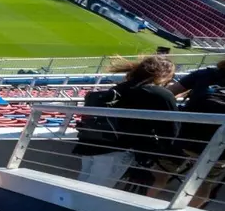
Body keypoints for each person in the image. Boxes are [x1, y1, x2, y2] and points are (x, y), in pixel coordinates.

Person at [148, 46, 225, 207]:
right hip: (222, 148)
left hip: (184, 138)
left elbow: (168, 94)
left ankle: (143, 204)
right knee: (202, 187)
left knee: (159, 176)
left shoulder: (206, 74)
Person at [74, 55, 177, 188]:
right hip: (117, 150)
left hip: (92, 145)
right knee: (95, 191)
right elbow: (171, 132)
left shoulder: (121, 88)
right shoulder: (161, 94)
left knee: (82, 186)